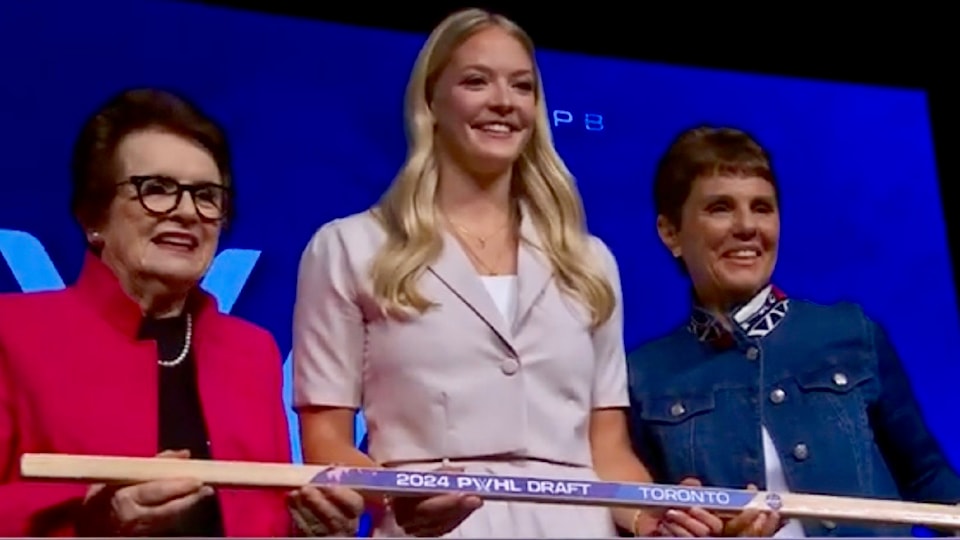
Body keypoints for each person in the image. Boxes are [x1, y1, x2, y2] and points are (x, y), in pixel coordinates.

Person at [291, 8, 725, 539]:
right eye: (476, 81)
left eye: (522, 86)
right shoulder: (350, 246)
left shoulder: (587, 262)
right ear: (431, 101)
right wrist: (397, 495)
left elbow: (607, 448)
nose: (503, 101)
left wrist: (650, 518)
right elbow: (324, 440)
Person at [0, 88, 364, 537]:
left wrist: (309, 528)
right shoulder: (12, 331)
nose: (187, 211)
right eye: (156, 189)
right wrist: (94, 518)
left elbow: (260, 518)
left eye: (207, 196)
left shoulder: (251, 351)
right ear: (93, 216)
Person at [626, 125, 960, 537]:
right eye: (720, 208)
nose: (747, 226)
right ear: (670, 232)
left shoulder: (849, 332)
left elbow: (929, 478)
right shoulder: (645, 375)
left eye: (762, 208)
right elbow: (643, 521)